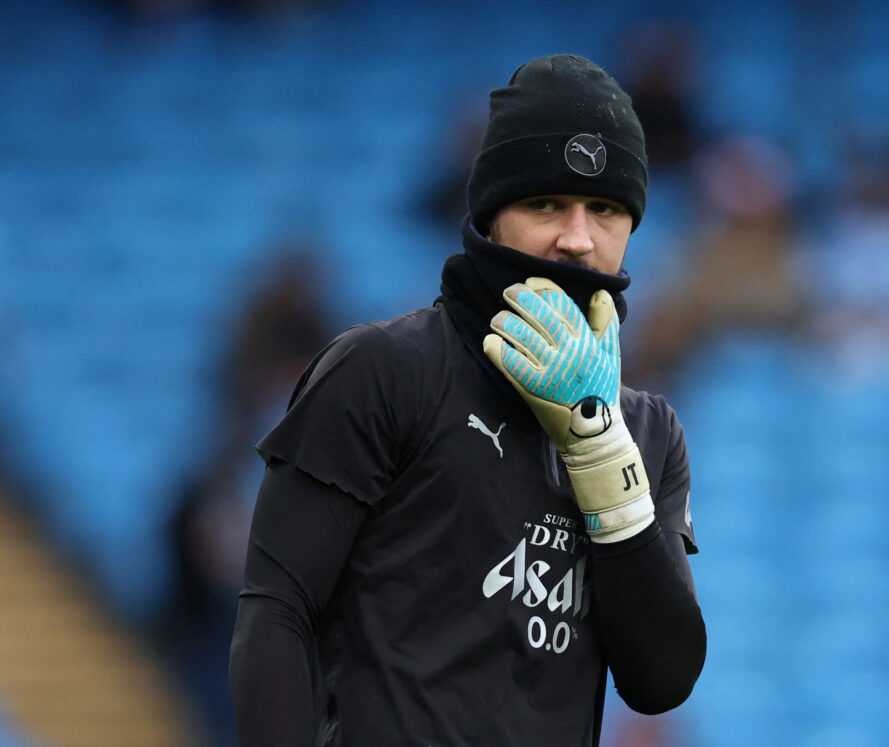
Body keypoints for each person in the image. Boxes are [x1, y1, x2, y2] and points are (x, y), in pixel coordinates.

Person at [229, 54, 706, 746]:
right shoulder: (384, 370)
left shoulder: (646, 431)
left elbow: (660, 677)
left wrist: (600, 453)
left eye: (605, 209)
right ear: (491, 213)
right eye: (546, 203)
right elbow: (276, 611)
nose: (577, 238)